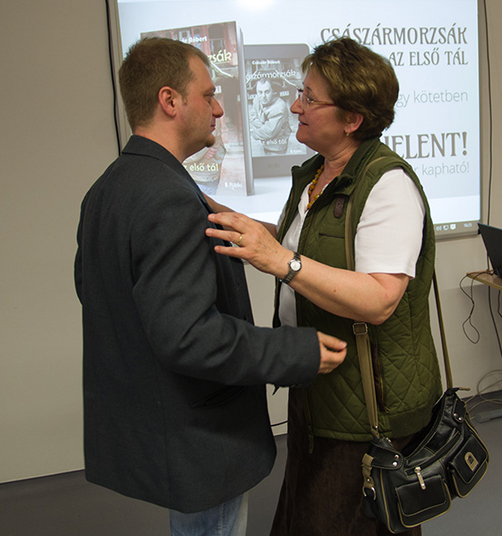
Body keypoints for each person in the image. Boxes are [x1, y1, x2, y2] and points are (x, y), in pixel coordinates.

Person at [74, 37, 347, 536]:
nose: (219, 109)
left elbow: (103, 297)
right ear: (169, 101)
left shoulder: (108, 187)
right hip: (197, 437)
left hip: (159, 426)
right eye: (209, 95)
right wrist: (296, 350)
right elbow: (189, 337)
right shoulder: (170, 199)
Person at [205, 37, 442, 536]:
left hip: (368, 408)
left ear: (352, 118)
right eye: (300, 93)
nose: (296, 106)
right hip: (320, 386)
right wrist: (225, 216)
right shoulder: (317, 174)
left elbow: (380, 299)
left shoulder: (388, 186)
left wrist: (279, 261)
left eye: (310, 98)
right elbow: (304, 245)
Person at [249, 78, 292, 155]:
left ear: (273, 91)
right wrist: (264, 126)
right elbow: (252, 117)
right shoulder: (257, 99)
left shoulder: (279, 107)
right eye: (260, 92)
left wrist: (252, 132)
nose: (263, 96)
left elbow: (269, 132)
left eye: (267, 92)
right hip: (265, 145)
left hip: (277, 148)